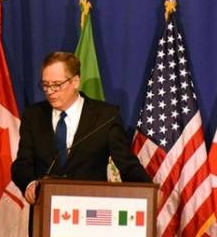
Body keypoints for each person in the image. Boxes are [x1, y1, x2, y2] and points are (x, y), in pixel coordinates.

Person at [12, 51, 149, 204]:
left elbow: (127, 164)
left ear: (75, 82)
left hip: (90, 208)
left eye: (56, 85)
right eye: (45, 85)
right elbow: (22, 163)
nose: (50, 91)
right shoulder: (33, 115)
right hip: (45, 208)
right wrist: (29, 183)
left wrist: (149, 193)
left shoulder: (105, 117)